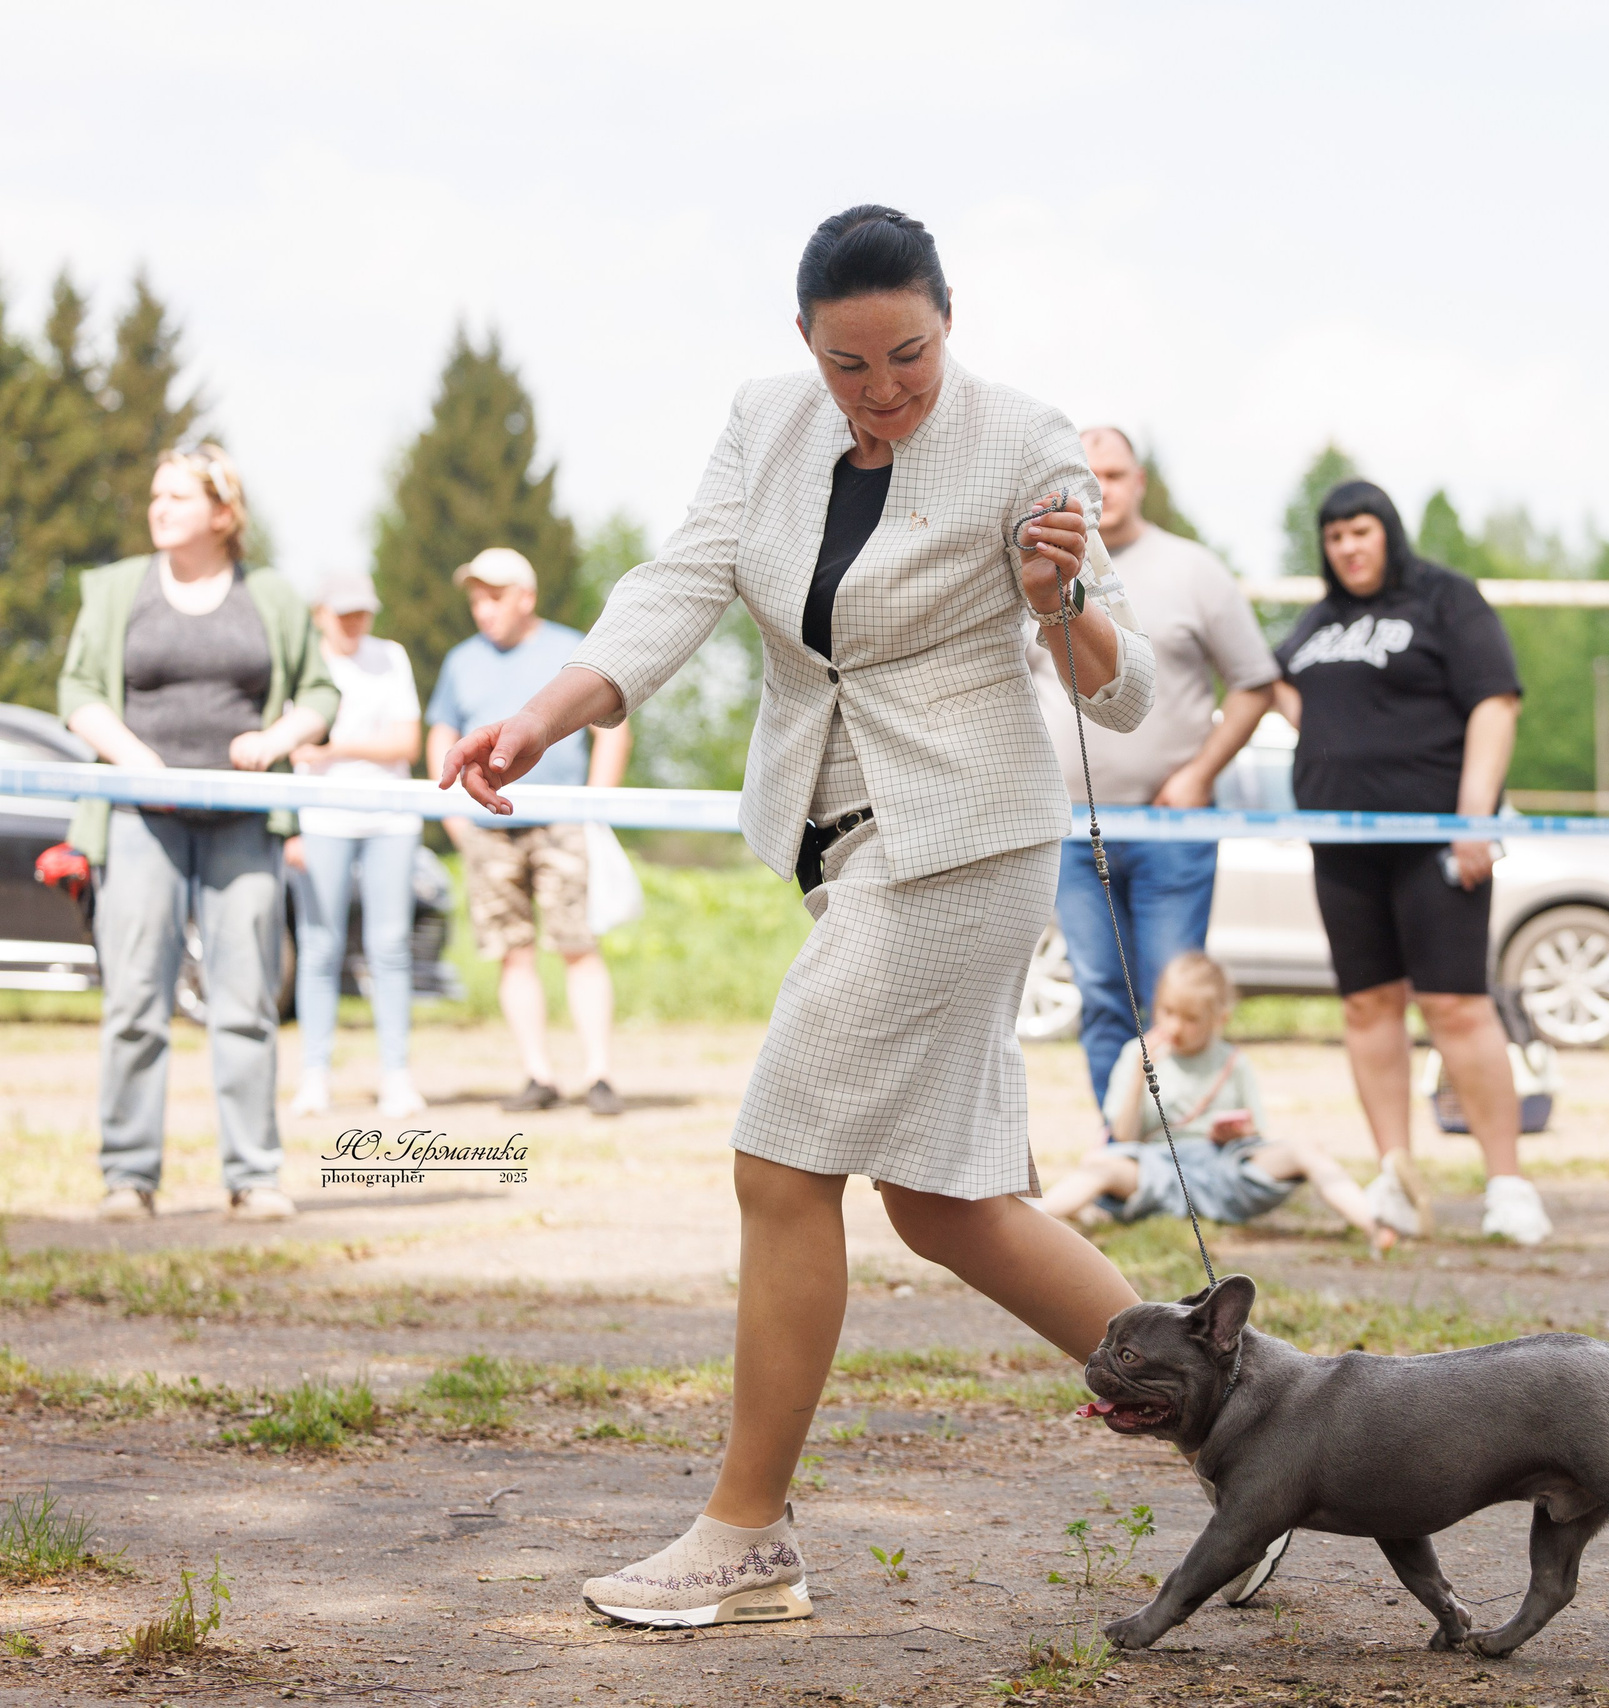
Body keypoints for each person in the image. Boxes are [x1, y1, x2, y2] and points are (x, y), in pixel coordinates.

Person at [440, 204, 1160, 1626]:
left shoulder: (1024, 439)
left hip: (962, 843)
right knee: (948, 1209)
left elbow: (1122, 688)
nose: (883, 388)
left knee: (780, 1160)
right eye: (850, 363)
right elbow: (679, 585)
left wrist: (1057, 597)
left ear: (948, 325)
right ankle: (1261, 1426)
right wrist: (543, 715)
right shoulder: (763, 423)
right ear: (804, 344)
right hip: (839, 842)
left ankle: (747, 1532)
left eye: (910, 355)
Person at [57, 445, 338, 1224]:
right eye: (156, 494)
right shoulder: (118, 589)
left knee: (245, 1001)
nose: (159, 507)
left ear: (222, 513)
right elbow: (76, 690)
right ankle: (128, 1177)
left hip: (242, 822)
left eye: (177, 496)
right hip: (139, 819)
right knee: (135, 1000)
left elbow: (320, 693)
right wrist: (136, 761)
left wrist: (277, 740)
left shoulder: (270, 594)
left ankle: (253, 1176)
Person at [1272, 481, 1549, 1247]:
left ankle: (1508, 1185)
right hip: (1340, 844)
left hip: (1436, 840)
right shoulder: (1318, 622)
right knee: (1367, 1006)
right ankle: (1397, 1177)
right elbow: (1277, 683)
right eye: (1334, 537)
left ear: (1388, 533)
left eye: (1361, 532)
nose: (1348, 548)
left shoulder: (1445, 600)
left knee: (1456, 1004)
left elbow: (1495, 701)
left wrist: (1473, 817)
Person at [1035, 426, 1279, 1113]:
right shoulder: (1039, 570)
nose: (1100, 489)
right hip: (1070, 831)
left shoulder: (1195, 570)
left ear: (1139, 482)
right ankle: (1122, 1149)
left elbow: (1255, 684)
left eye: (1114, 474)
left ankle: (1183, 1141)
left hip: (1172, 830)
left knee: (1174, 998)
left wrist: (1198, 774)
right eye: (1086, 476)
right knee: (1100, 995)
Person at [424, 547, 632, 1116]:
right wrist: (454, 820)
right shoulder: (461, 661)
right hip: (488, 830)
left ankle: (598, 1075)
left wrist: (594, 807)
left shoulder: (573, 650)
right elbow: (441, 734)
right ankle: (538, 1075)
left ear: (526, 598)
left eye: (494, 597)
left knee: (578, 947)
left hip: (564, 822)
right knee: (513, 954)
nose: (483, 609)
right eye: (476, 599)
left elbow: (612, 731)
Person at [1033, 952, 1398, 1254]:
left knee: (1307, 1148)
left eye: (1191, 1018)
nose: (1176, 1026)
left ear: (1219, 1019)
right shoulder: (1135, 1053)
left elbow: (1256, 1135)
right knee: (1101, 1165)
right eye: (1167, 1012)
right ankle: (1034, 1223)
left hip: (1225, 1169)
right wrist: (1138, 1078)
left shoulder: (1233, 1062)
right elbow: (1125, 1136)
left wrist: (1239, 1132)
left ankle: (1374, 1223)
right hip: (1159, 1169)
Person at [284, 572, 426, 1120]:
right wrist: (291, 828)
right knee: (320, 947)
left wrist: (335, 748)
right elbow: (290, 748)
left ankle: (396, 1075)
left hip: (391, 819)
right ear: (319, 613)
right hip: (321, 819)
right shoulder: (302, 665)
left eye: (361, 612)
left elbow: (406, 742)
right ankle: (314, 1075)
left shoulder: (391, 657)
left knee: (390, 947)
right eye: (343, 612)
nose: (354, 623)